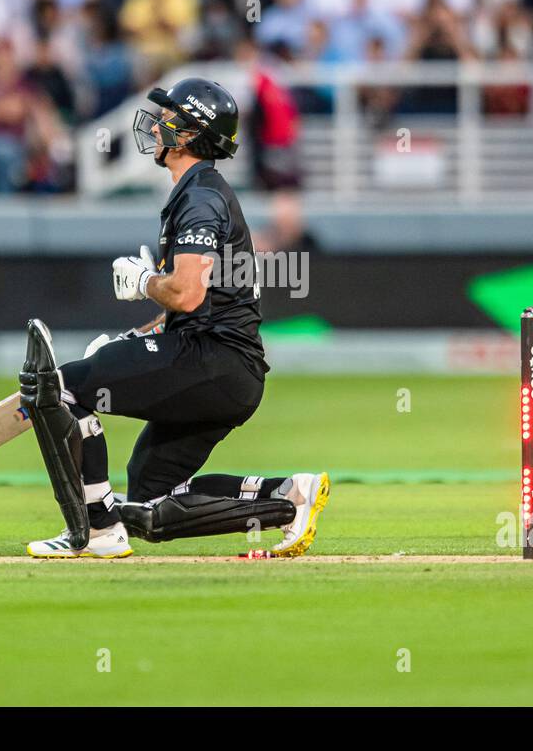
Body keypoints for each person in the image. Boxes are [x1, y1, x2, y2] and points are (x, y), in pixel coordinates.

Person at [17, 78, 329, 558]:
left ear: (186, 133)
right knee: (151, 500)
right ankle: (288, 496)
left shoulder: (200, 197)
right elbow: (196, 306)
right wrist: (127, 342)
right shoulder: (203, 191)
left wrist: (142, 281)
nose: (157, 124)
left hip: (212, 361)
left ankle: (96, 531)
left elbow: (185, 294)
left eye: (168, 117)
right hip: (228, 369)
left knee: (60, 387)